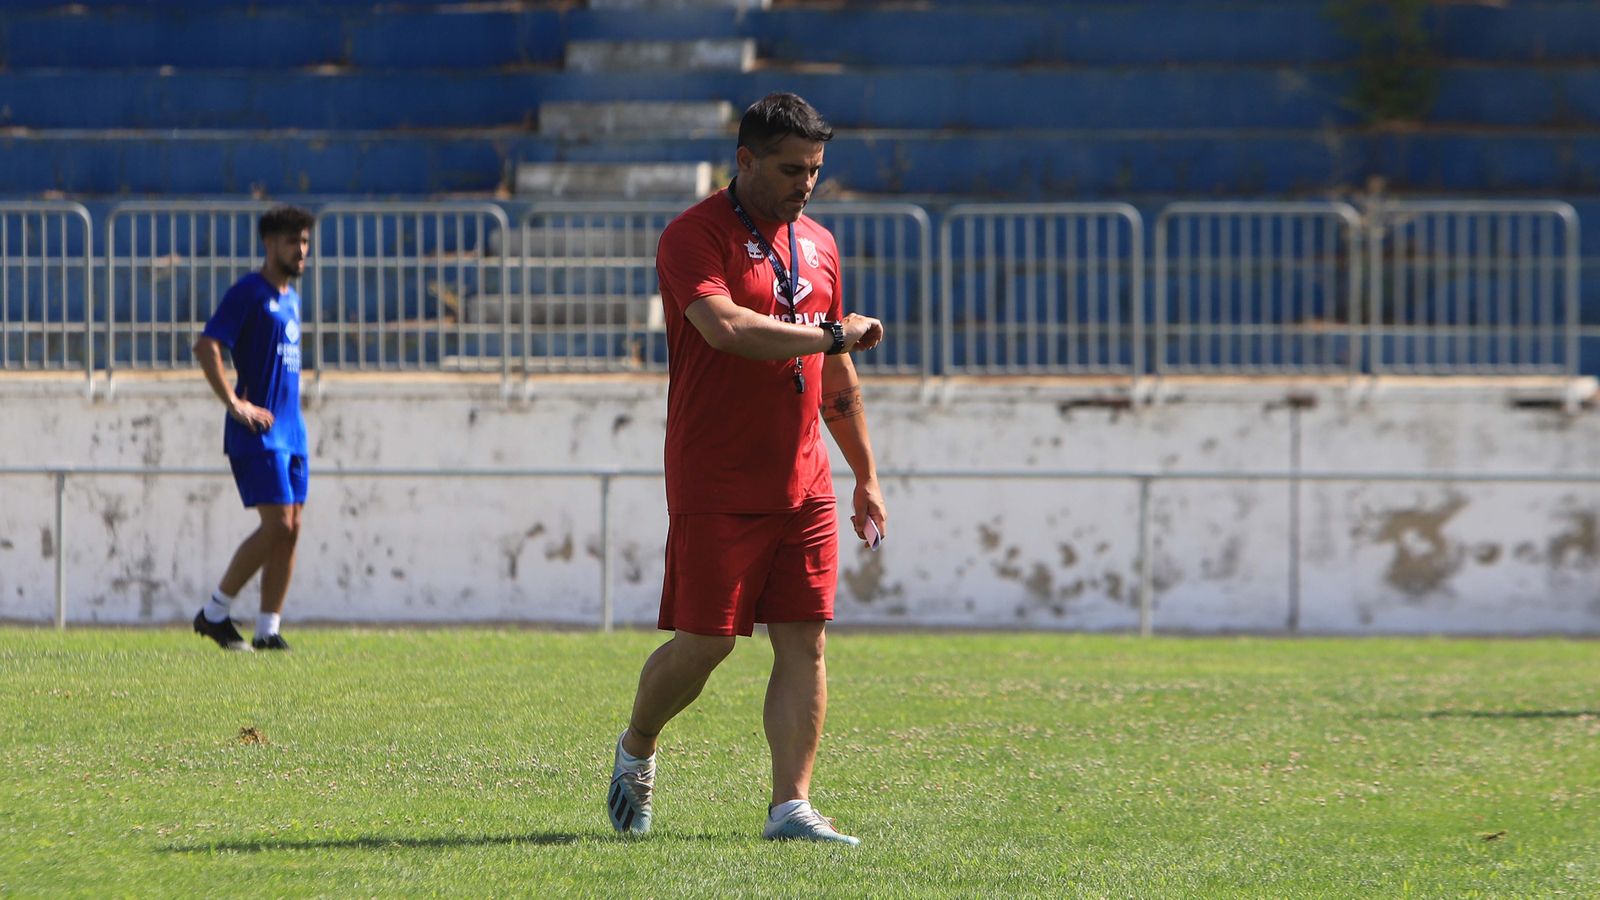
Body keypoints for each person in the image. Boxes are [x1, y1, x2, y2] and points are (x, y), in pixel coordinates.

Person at [606, 93, 886, 845]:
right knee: (709, 642)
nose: (806, 184)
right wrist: (830, 336)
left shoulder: (820, 245)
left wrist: (863, 473)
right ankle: (637, 745)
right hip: (717, 478)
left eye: (817, 171)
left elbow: (834, 377)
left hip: (805, 484)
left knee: (807, 640)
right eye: (793, 169)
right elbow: (725, 328)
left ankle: (790, 806)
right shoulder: (692, 236)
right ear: (746, 160)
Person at [190, 205, 315, 652]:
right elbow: (207, 345)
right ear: (269, 244)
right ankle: (215, 612)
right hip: (258, 432)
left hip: (292, 432)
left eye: (304, 242)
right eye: (291, 242)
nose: (301, 251)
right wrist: (235, 403)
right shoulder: (248, 291)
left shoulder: (292, 299)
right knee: (278, 523)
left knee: (292, 527)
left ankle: (268, 630)